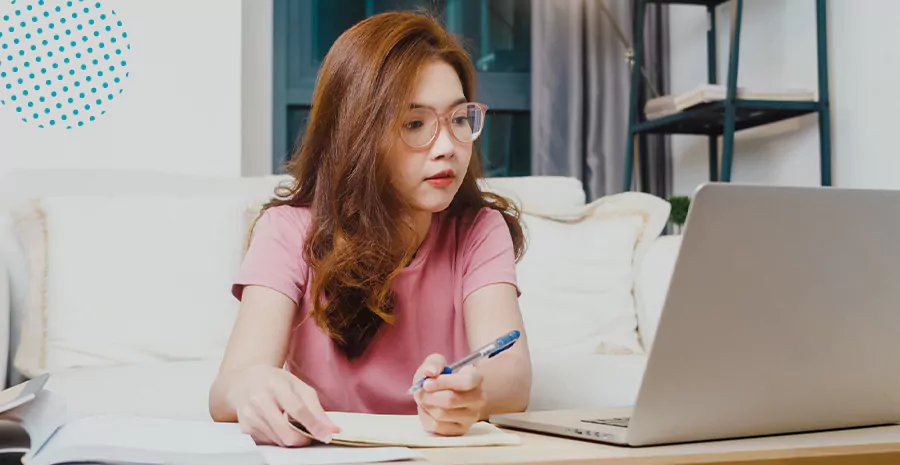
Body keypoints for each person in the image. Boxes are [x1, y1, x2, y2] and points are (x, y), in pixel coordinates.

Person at [208, 10, 532, 447]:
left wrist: (472, 392)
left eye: (459, 119)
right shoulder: (287, 230)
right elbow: (228, 389)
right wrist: (250, 388)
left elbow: (511, 378)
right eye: (414, 123)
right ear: (357, 133)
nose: (447, 148)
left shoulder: (477, 229)